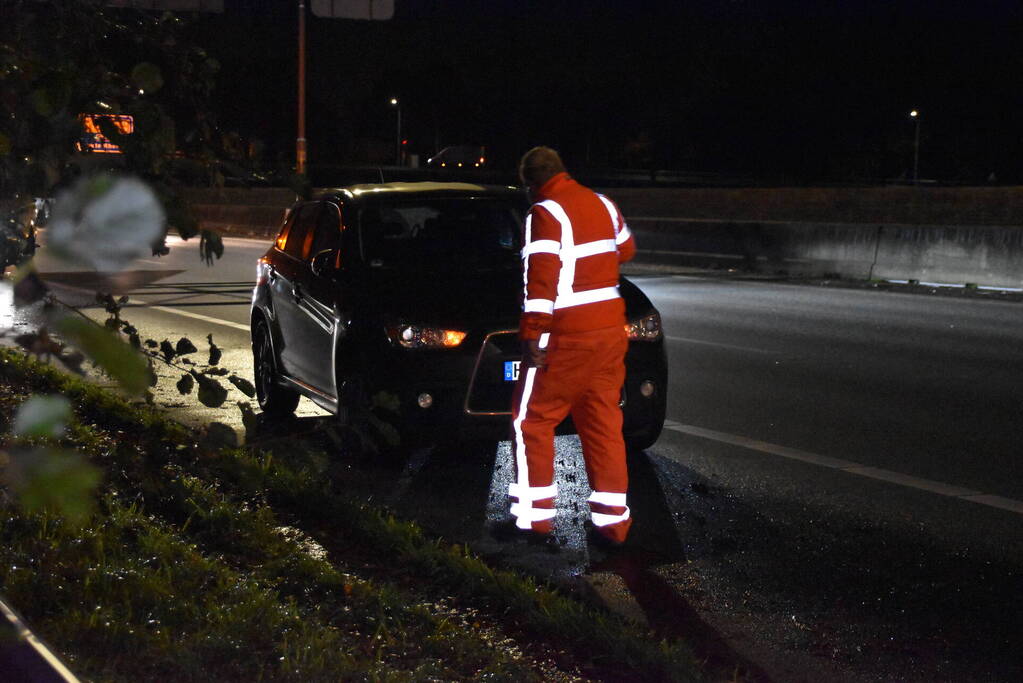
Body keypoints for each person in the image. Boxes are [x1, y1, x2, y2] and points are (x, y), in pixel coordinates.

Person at [505, 146, 636, 550]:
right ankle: (613, 524)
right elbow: (626, 250)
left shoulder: (545, 213)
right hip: (610, 333)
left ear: (531, 184)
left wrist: (531, 335)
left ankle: (535, 519)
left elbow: (541, 281)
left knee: (532, 421)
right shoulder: (603, 203)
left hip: (566, 337)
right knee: (602, 424)